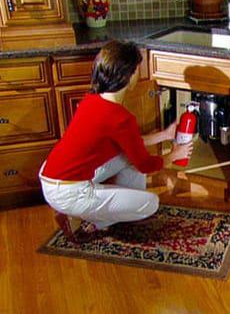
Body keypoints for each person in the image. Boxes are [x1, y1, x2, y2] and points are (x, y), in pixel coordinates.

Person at [39, 40, 193, 243]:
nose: (139, 74)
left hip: (52, 176)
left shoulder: (92, 100)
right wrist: (174, 156)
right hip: (69, 191)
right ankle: (81, 217)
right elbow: (145, 165)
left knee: (126, 158)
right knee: (150, 204)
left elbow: (128, 144)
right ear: (127, 77)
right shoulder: (120, 118)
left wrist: (164, 135)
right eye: (137, 69)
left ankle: (107, 207)